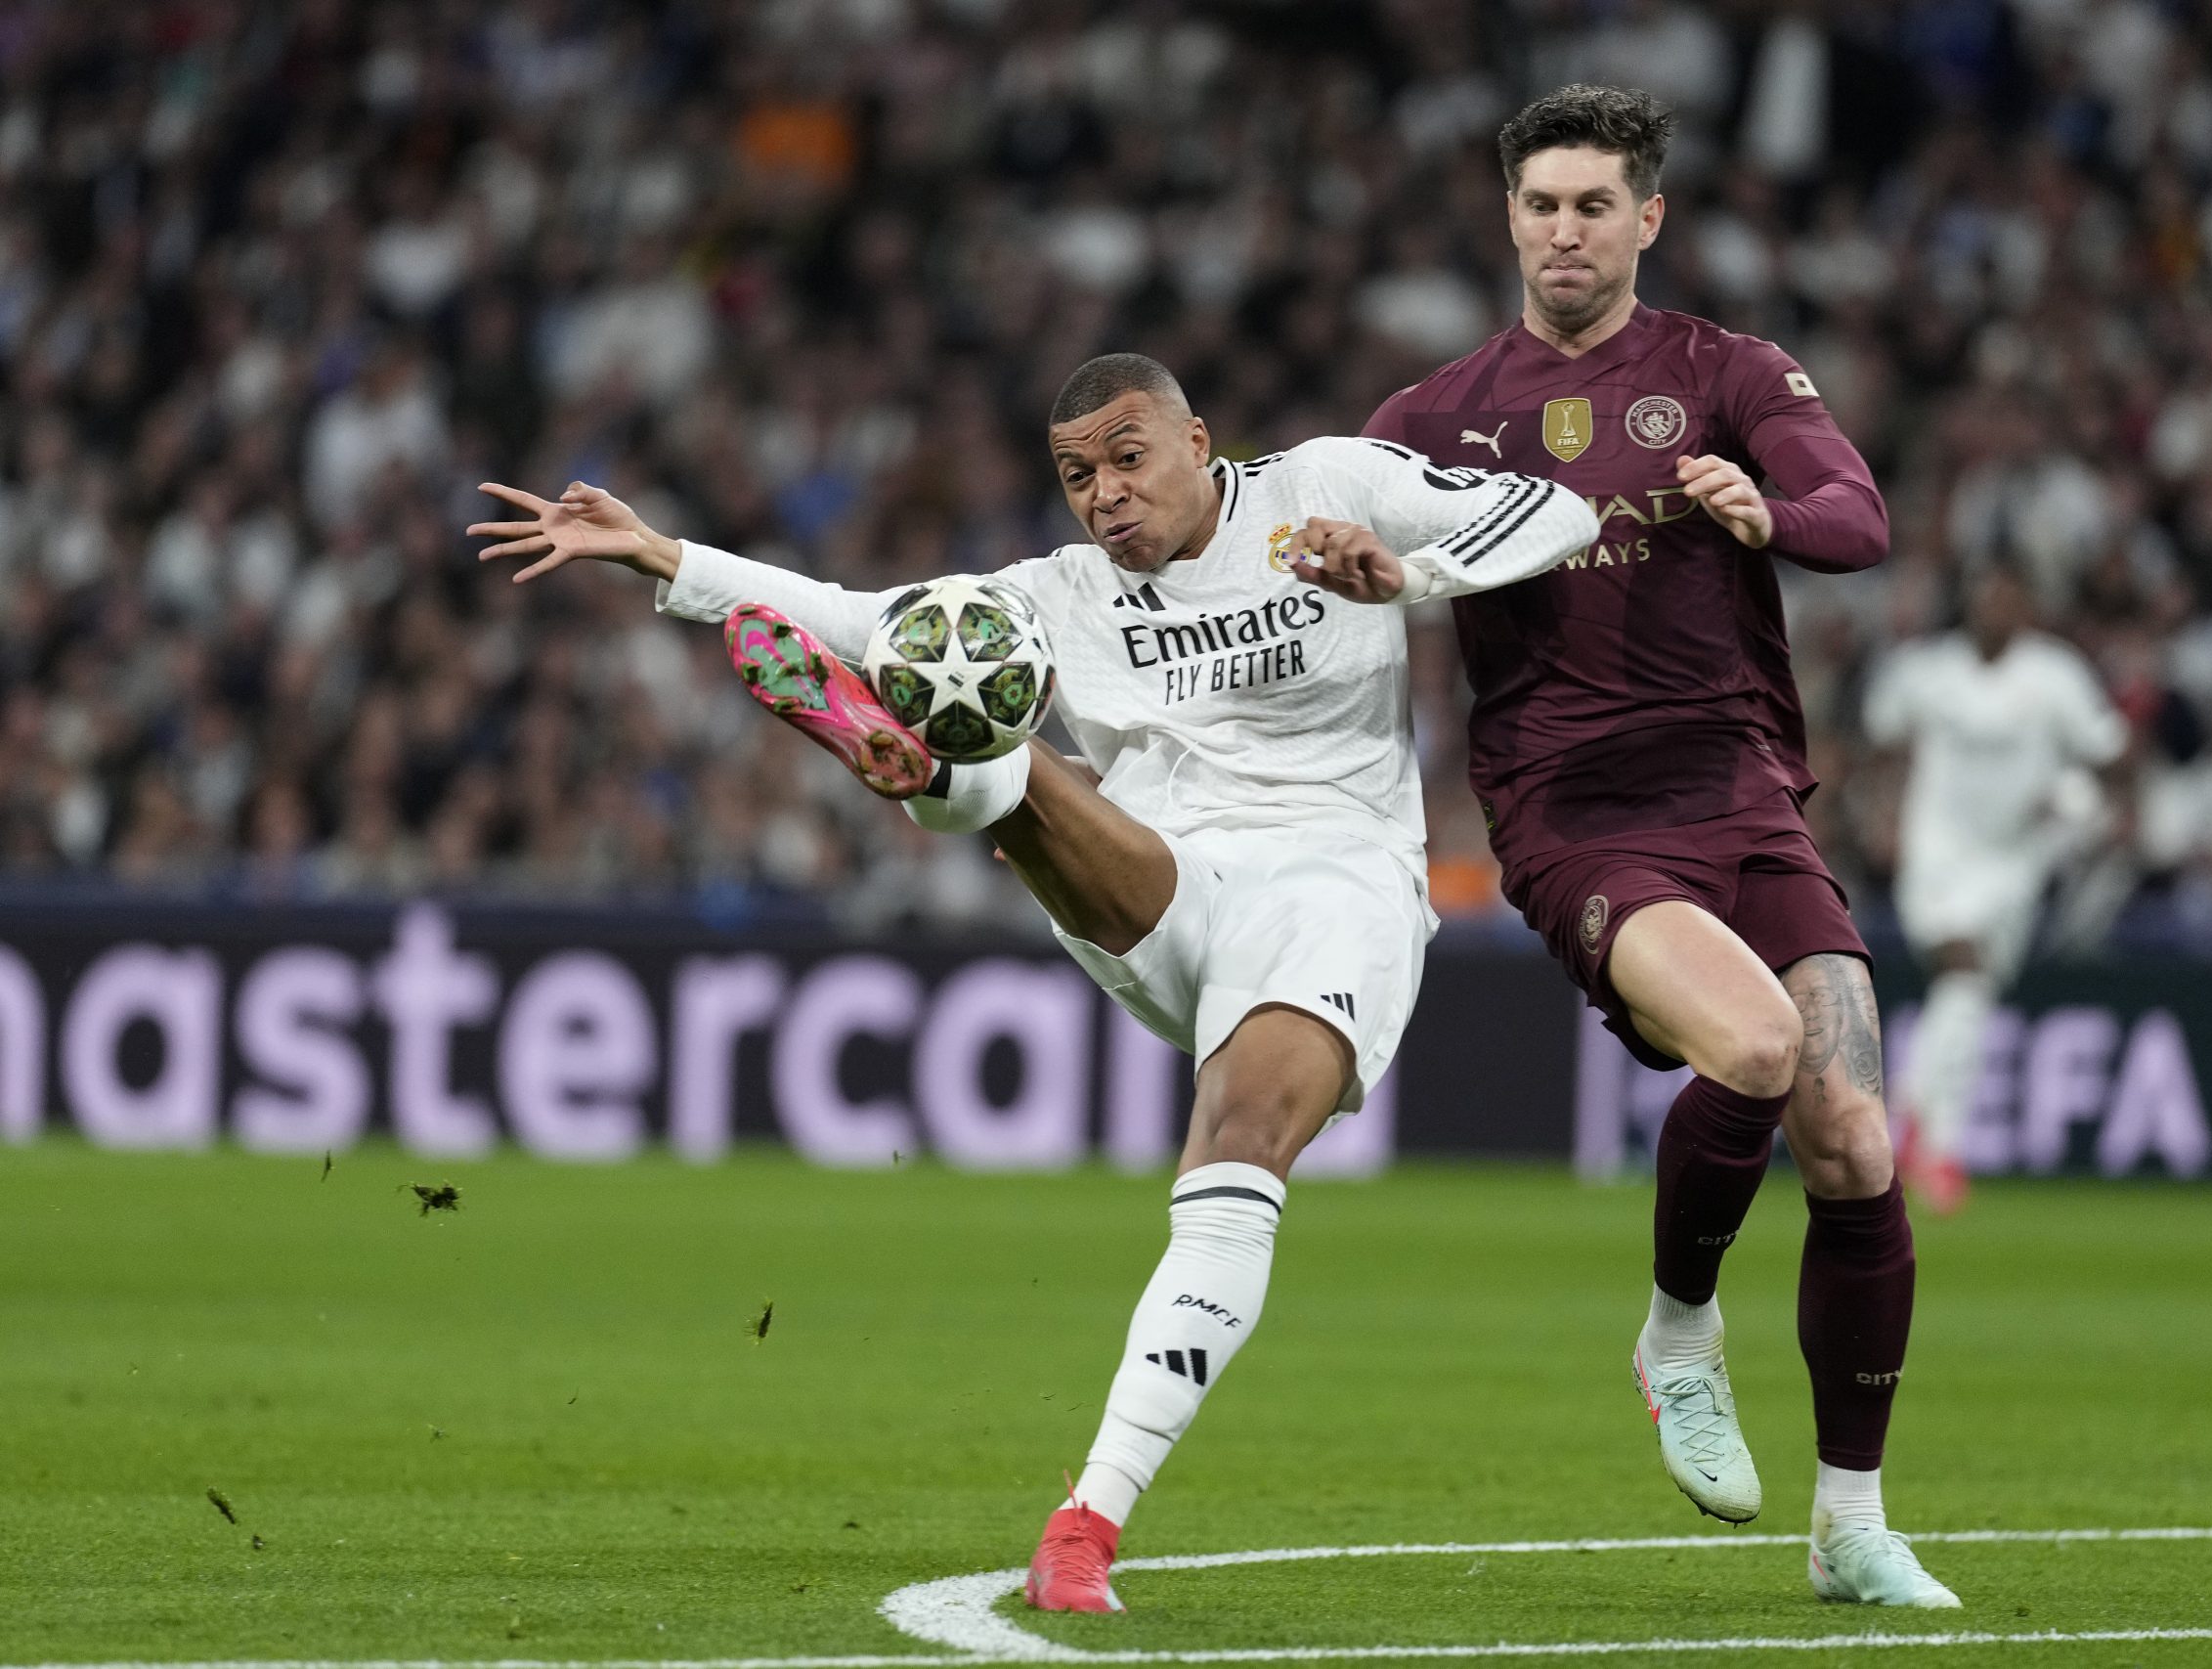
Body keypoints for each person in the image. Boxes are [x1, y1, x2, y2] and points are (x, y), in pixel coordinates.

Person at [469, 353, 1598, 1614]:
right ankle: (950, 759)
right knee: (964, 672)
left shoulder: (1324, 485)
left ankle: (1084, 1526)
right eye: (1077, 476)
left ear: (1198, 441)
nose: (1105, 495)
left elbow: (1559, 512)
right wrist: (661, 556)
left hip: (1334, 892)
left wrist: (1409, 575)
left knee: (1233, 1154)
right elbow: (850, 609)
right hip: (1160, 882)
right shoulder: (1052, 594)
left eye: (1128, 458)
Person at [1364, 85, 1955, 1606]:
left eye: (1594, 205)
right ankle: (1678, 1328)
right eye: (1541, 203)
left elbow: (1859, 514)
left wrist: (1767, 508)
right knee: (1757, 1043)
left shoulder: (1726, 373)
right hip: (1571, 806)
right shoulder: (1427, 422)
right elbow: (1323, 571)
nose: (1566, 230)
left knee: (1856, 1141)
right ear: (1509, 216)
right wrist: (1349, 567)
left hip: (1746, 787)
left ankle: (1853, 1522)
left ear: (1650, 218)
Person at [1865, 566, 2129, 1210]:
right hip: (1938, 850)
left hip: (2015, 860)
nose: (1997, 610)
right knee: (1964, 966)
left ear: (2027, 609)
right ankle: (1940, 1142)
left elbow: (2110, 752)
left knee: (1970, 988)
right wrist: (1881, 814)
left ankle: (1914, 1118)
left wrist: (2080, 809)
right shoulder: (1927, 672)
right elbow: (1882, 740)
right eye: (1987, 598)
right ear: (1970, 606)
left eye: (2010, 599)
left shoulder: (2056, 676)